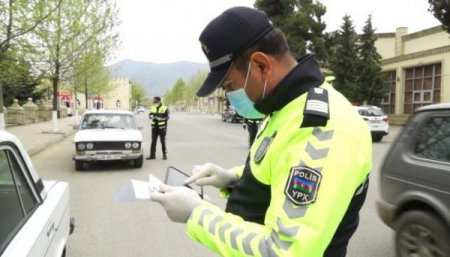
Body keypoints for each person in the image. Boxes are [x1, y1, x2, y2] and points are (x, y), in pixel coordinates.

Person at [151, 6, 372, 257]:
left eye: (230, 85)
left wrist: (197, 214)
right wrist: (233, 178)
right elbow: (279, 167)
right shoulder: (285, 107)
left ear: (261, 65)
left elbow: (283, 250)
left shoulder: (320, 129)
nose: (229, 96)